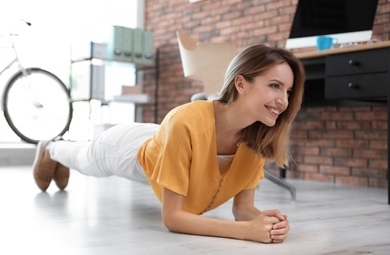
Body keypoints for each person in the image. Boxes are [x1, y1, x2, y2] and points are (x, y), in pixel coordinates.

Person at [32, 44, 305, 244]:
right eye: (274, 86)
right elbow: (173, 217)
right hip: (128, 148)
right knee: (85, 160)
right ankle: (52, 147)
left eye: (288, 91)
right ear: (241, 83)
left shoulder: (257, 137)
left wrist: (263, 223)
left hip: (170, 135)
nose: (283, 100)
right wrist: (246, 232)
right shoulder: (185, 121)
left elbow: (242, 209)